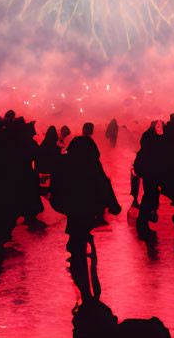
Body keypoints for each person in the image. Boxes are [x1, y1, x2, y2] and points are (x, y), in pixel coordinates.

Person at [50, 129, 123, 302]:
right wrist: (114, 206)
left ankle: (77, 258)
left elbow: (56, 183)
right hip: (88, 206)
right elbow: (103, 184)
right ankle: (85, 284)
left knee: (77, 233)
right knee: (81, 235)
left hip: (70, 204)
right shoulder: (91, 162)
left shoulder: (65, 161)